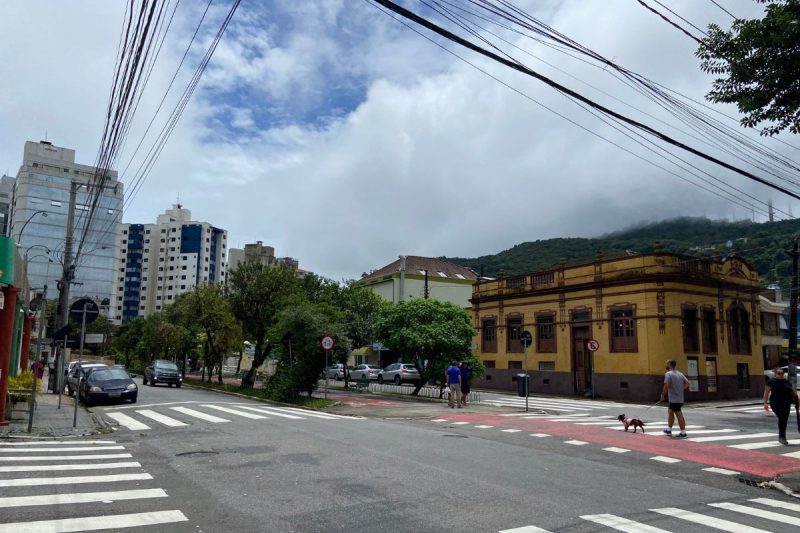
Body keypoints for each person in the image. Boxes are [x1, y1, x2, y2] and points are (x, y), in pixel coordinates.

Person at [764, 367, 799, 445]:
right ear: (775, 374)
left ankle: (782, 437)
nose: (781, 375)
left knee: (784, 420)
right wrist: (765, 403)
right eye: (779, 373)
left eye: (782, 373)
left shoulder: (786, 382)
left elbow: (792, 392)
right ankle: (782, 437)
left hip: (786, 403)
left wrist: (797, 401)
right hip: (776, 403)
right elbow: (766, 392)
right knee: (782, 417)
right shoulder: (771, 381)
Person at [660, 359, 689, 439]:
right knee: (670, 411)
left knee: (678, 413)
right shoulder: (680, 374)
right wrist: (680, 389)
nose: (666, 365)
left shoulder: (668, 374)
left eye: (667, 364)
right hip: (679, 398)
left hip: (674, 398)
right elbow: (687, 383)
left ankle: (683, 432)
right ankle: (669, 429)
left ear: (669, 364)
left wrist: (662, 395)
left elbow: (666, 386)